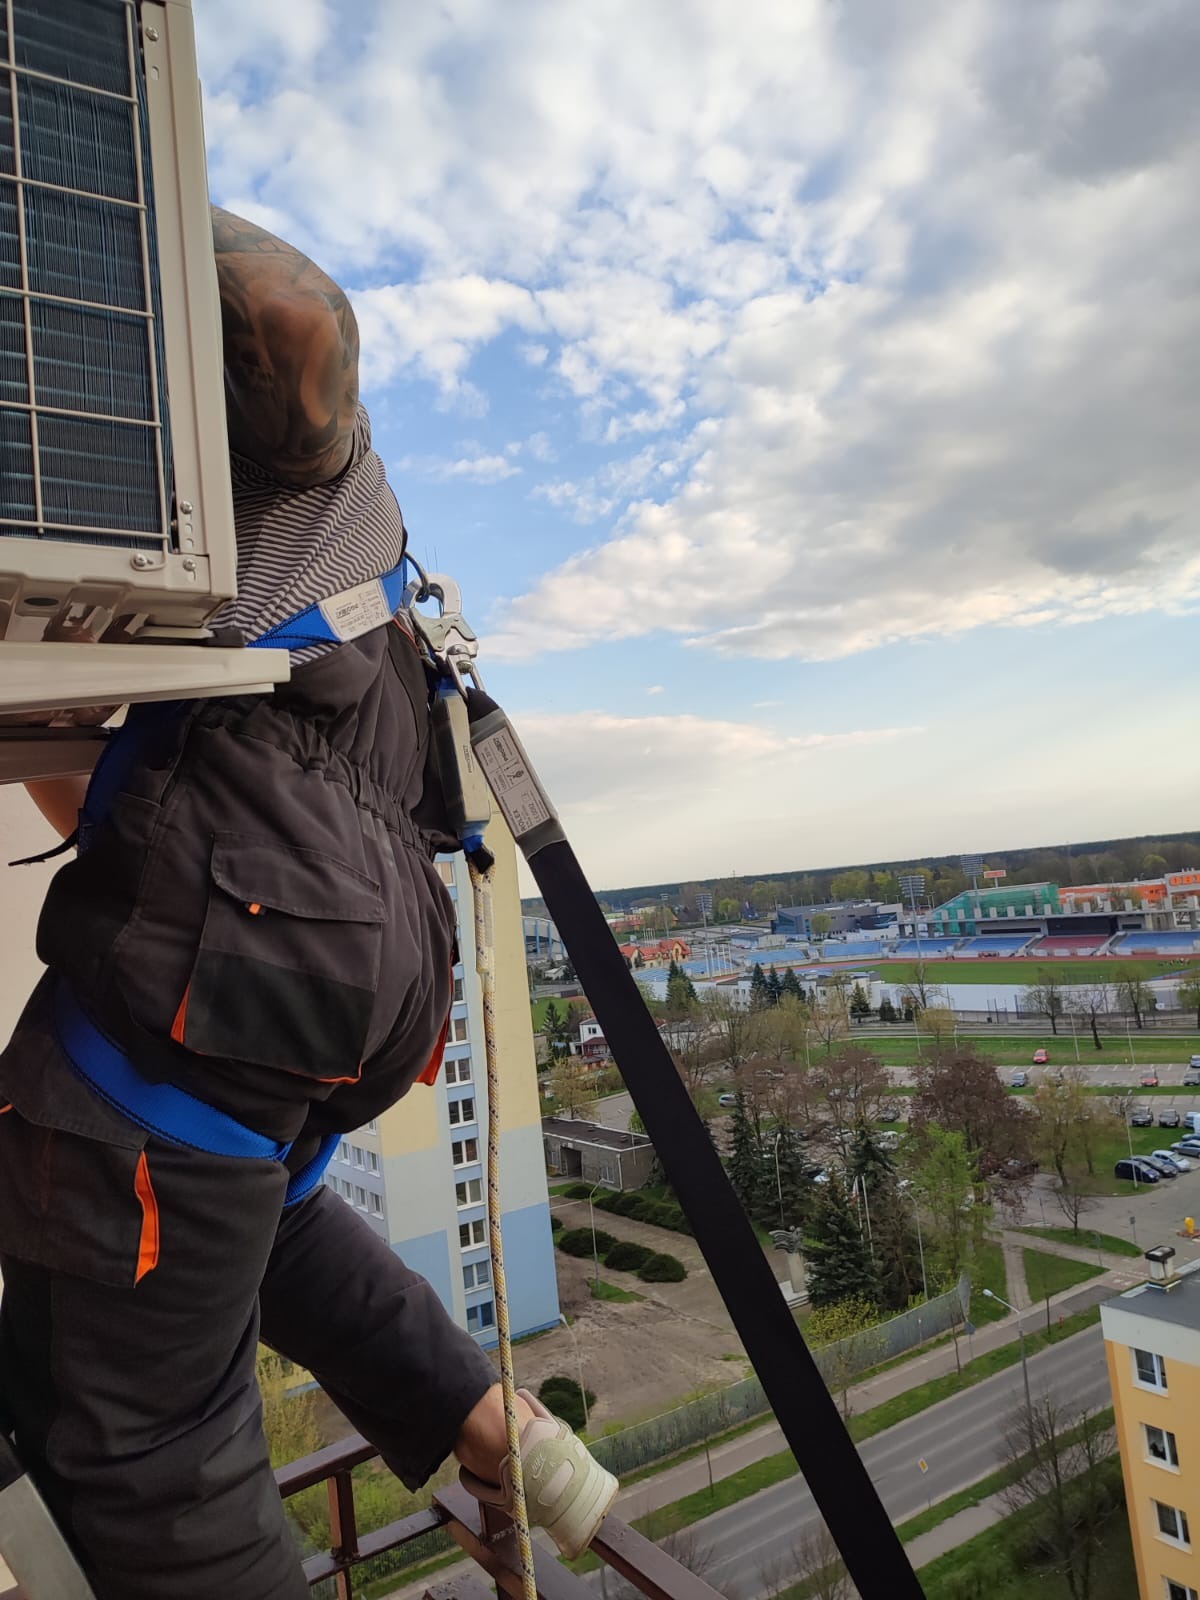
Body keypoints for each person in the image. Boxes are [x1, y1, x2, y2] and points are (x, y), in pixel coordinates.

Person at [0, 208, 616, 1600]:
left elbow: (289, 313)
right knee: (200, 1242)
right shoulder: (297, 597)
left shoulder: (291, 478)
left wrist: (78, 173)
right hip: (283, 1026)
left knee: (153, 1448)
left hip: (240, 1027)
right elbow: (251, 1210)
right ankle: (467, 1401)